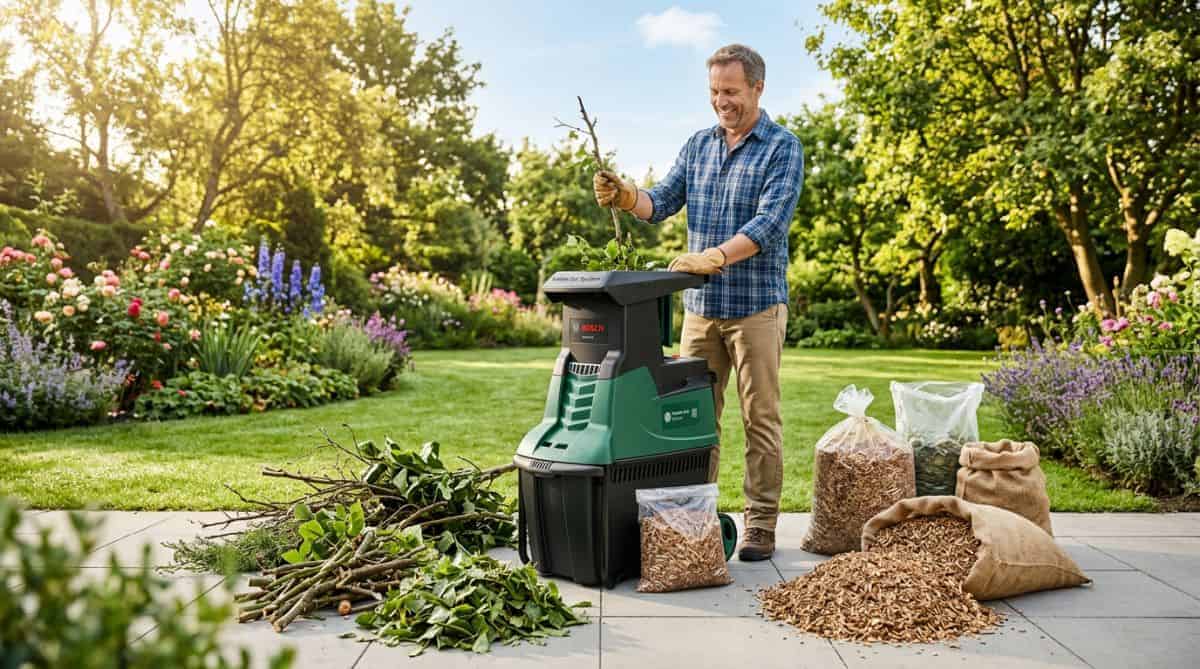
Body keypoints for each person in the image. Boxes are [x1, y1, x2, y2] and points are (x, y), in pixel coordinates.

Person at [592, 44, 803, 561]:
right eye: (714, 92)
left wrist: (713, 255)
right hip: (701, 311)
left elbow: (770, 224)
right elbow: (660, 201)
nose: (721, 102)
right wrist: (625, 195)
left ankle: (760, 524)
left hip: (755, 307)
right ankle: (693, 514)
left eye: (730, 91)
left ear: (757, 87)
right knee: (690, 419)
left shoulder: (782, 147)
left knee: (761, 418)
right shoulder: (699, 144)